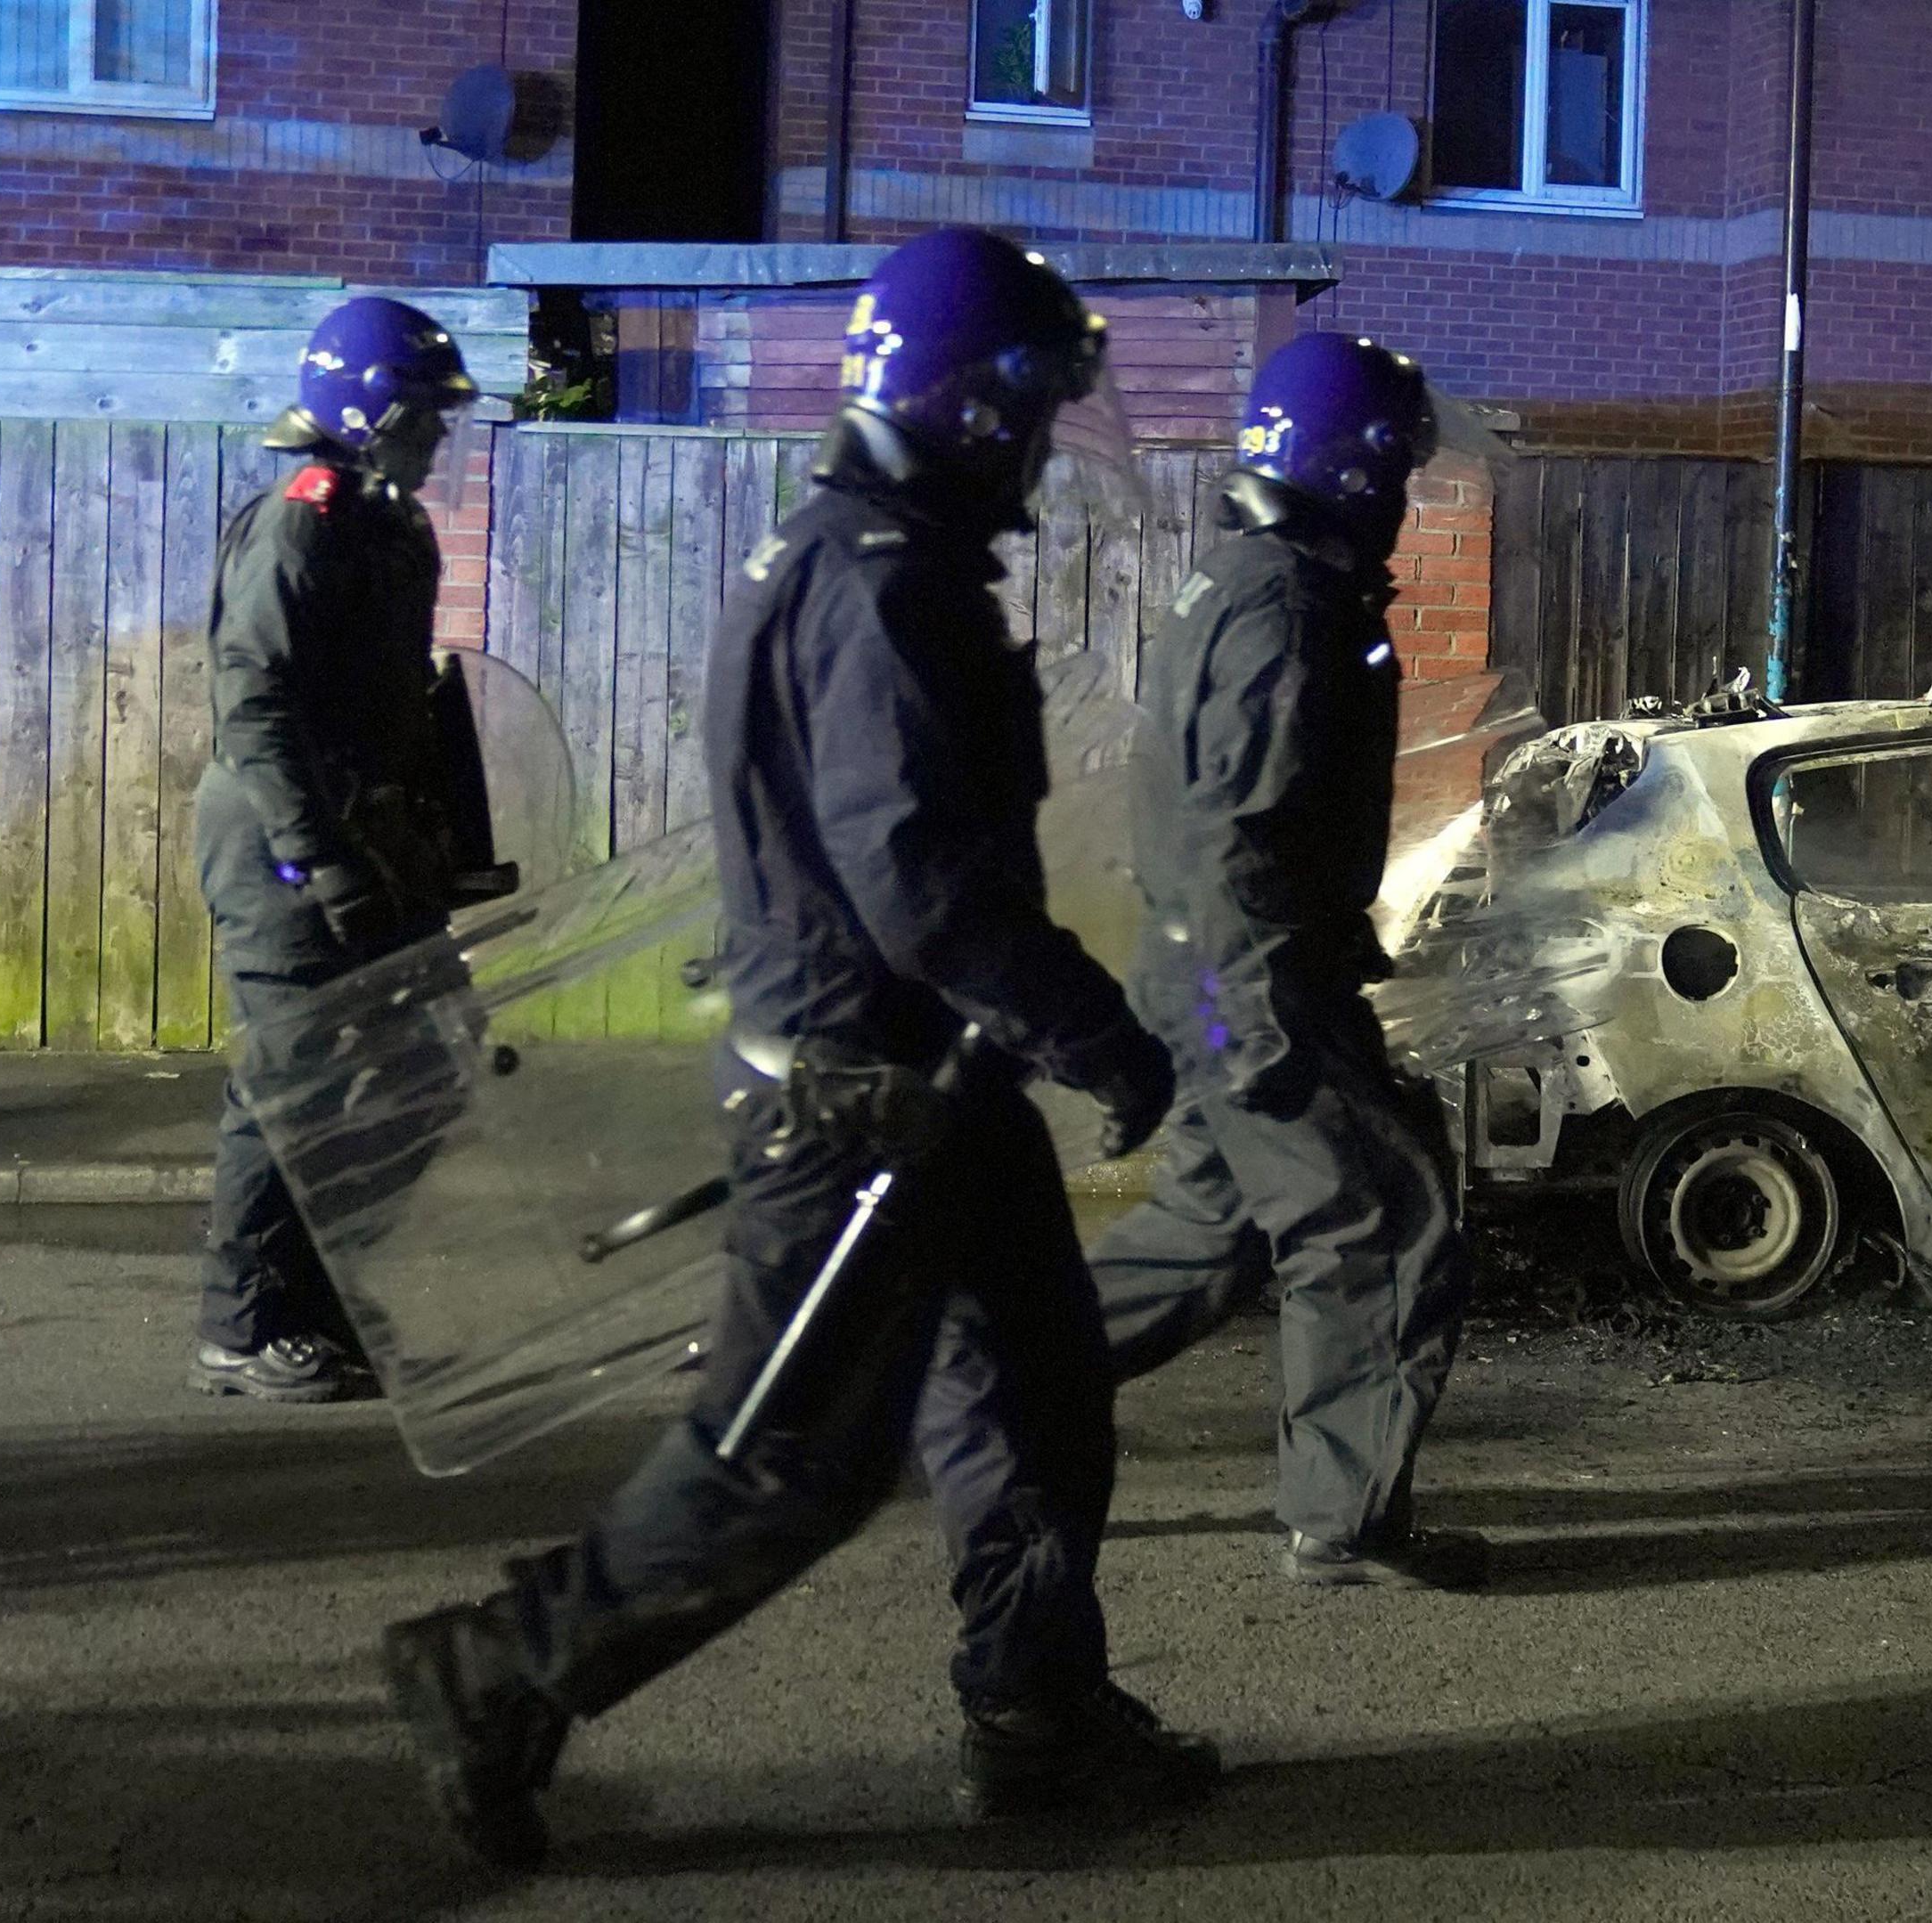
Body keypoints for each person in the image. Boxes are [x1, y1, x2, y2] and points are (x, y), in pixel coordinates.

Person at [378, 228, 1204, 1870]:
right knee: (791, 1464)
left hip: (933, 1087)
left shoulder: (865, 551)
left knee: (1039, 1397)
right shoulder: (885, 583)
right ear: (969, 404)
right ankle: (501, 1669)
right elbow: (920, 880)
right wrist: (1096, 1029)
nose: (1046, 439)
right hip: (858, 1107)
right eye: (1034, 403)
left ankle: (1034, 1706)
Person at [1082, 332, 1486, 1592]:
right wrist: (1261, 1012)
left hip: (1218, 978)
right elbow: (1239, 834)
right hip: (1248, 985)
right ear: (1355, 466)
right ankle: (1343, 1526)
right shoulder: (1289, 601)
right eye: (1399, 474)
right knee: (1381, 1222)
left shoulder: (1252, 577)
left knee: (1210, 1233)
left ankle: (970, 1377)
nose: (1408, 499)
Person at [187, 298, 479, 1404]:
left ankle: (320, 1297)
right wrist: (321, 859)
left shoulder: (384, 520)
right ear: (374, 411)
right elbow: (254, 701)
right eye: (428, 416)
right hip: (280, 843)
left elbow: (387, 703)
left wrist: (431, 836)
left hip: (369, 834)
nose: (440, 437)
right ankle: (245, 1323)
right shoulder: (302, 520)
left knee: (438, 1060)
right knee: (291, 1081)